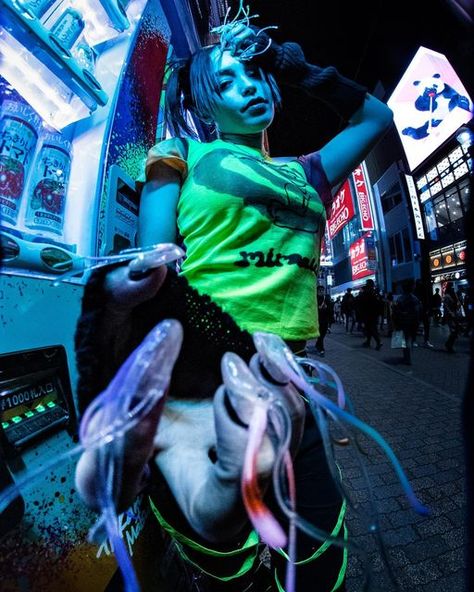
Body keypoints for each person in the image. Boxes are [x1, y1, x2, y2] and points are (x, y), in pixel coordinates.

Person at [74, 19, 393, 592]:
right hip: (200, 384)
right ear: (204, 100)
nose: (249, 87)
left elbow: (376, 118)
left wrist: (296, 68)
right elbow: (155, 262)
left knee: (320, 559)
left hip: (291, 384)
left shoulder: (309, 172)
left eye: (256, 76)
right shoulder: (180, 154)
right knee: (223, 563)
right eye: (227, 81)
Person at [392, 280, 422, 365]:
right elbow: (417, 312)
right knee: (409, 340)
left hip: (403, 322)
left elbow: (395, 311)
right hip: (412, 322)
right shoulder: (414, 298)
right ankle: (407, 358)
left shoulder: (400, 298)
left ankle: (407, 358)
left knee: (405, 340)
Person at [358, 279, 383, 350]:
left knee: (371, 328)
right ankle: (368, 342)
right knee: (370, 328)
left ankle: (378, 342)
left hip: (367, 313)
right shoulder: (375, 292)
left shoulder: (366, 292)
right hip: (374, 313)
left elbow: (362, 303)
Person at [443, 281, 462, 353]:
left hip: (455, 314)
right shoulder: (447, 296)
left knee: (456, 330)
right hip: (450, 315)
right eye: (451, 286)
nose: (452, 287)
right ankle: (449, 345)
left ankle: (449, 344)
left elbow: (457, 303)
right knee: (453, 330)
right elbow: (446, 306)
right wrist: (450, 313)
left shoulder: (454, 294)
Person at [414, 279, 434, 348]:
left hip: (422, 311)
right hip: (421, 311)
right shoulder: (419, 292)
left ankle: (423, 341)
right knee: (420, 326)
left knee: (422, 326)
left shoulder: (419, 291)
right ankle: (424, 341)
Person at [315, 285, 332, 356]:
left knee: (323, 333)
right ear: (317, 291)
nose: (321, 292)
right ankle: (321, 349)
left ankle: (317, 344)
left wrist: (331, 319)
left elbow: (330, 309)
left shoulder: (326, 299)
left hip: (325, 319)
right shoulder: (314, 299)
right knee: (320, 334)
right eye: (320, 290)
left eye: (322, 290)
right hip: (317, 320)